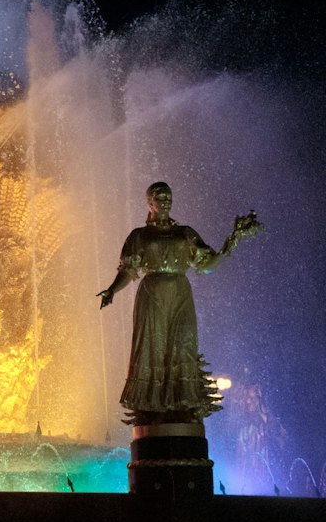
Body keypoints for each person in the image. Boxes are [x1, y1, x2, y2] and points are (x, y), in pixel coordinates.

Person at [98, 181, 260, 423]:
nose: (165, 201)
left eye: (169, 197)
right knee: (153, 346)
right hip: (152, 296)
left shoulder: (185, 233)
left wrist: (230, 244)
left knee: (183, 344)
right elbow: (129, 270)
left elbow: (205, 265)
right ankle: (151, 408)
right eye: (160, 197)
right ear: (149, 202)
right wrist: (112, 290)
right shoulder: (139, 236)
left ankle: (182, 404)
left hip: (180, 294)